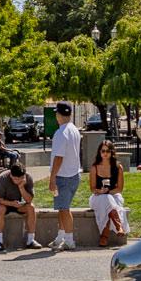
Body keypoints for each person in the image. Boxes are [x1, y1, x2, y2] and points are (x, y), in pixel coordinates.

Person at [48, 101, 83, 249]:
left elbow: (59, 157)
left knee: (64, 209)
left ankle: (69, 240)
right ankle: (60, 236)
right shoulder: (74, 129)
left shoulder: (61, 132)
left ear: (58, 114)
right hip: (74, 174)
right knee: (62, 207)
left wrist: (52, 177)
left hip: (63, 176)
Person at [0, 155, 39, 251]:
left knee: (31, 207)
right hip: (3, 202)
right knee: (1, 209)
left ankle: (31, 240)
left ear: (23, 176)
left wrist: (21, 187)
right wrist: (11, 203)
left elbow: (29, 200)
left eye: (19, 179)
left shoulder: (28, 178)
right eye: (14, 178)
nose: (16, 181)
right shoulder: (3, 178)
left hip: (18, 203)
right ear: (11, 175)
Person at [88, 139, 129, 245]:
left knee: (107, 200)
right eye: (103, 151)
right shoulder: (94, 167)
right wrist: (100, 191)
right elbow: (92, 188)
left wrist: (108, 192)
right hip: (97, 197)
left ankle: (104, 237)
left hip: (114, 196)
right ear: (99, 152)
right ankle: (118, 226)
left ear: (112, 152)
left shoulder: (118, 167)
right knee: (105, 199)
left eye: (107, 151)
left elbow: (119, 189)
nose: (105, 153)